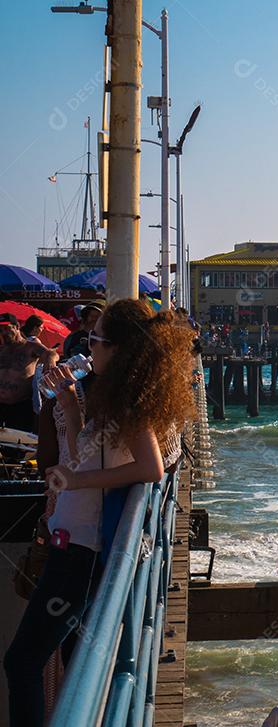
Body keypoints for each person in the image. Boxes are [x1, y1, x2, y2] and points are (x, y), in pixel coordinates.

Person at [4, 299, 195, 726]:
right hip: (71, 545)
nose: (88, 346)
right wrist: (70, 407)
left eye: (95, 340)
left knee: (21, 663)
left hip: (80, 556)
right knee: (66, 660)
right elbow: (84, 458)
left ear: (120, 349)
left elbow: (151, 467)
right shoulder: (111, 394)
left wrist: (75, 483)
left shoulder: (129, 402)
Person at [0, 314, 59, 433]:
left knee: (19, 444)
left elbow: (51, 353)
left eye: (7, 328)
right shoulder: (2, 350)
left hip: (20, 405)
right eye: (0, 329)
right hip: (0, 406)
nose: (4, 332)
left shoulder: (30, 347)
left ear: (17, 327)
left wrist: (50, 362)